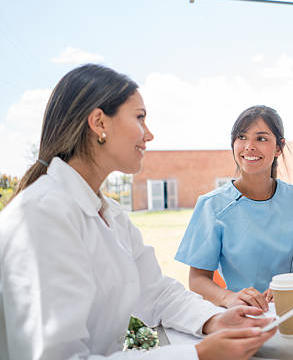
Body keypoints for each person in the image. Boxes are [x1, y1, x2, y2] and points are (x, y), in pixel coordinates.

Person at [0, 64, 276, 360]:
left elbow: (156, 293)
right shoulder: (42, 217)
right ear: (99, 122)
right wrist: (197, 355)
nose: (149, 135)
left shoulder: (111, 215)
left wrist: (214, 320)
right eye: (140, 118)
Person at [175, 105, 293, 311]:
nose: (249, 146)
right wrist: (229, 298)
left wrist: (291, 287)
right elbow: (198, 280)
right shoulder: (212, 205)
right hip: (236, 314)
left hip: (289, 310)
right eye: (242, 137)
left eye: (261, 138)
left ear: (279, 147)